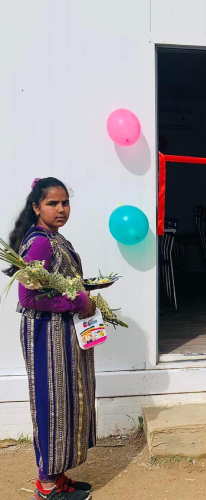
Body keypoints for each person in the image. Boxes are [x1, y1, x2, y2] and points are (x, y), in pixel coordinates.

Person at [3, 177, 96, 499]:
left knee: (66, 399)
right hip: (47, 334)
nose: (61, 209)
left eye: (65, 202)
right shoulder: (40, 242)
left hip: (61, 333)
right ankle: (46, 486)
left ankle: (57, 476)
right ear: (36, 207)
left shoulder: (53, 237)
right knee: (52, 402)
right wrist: (79, 301)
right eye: (52, 203)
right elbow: (28, 297)